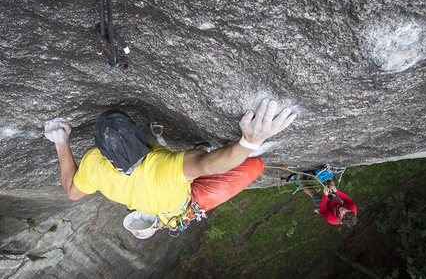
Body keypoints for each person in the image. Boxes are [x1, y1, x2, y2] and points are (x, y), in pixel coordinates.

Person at [44, 98, 297, 233]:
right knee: (255, 165)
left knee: (245, 165)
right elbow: (208, 166)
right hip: (188, 201)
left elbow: (71, 191)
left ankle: (157, 220)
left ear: (101, 151)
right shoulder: (158, 166)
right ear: (141, 140)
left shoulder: (93, 165)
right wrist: (249, 142)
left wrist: (61, 142)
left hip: (164, 198)